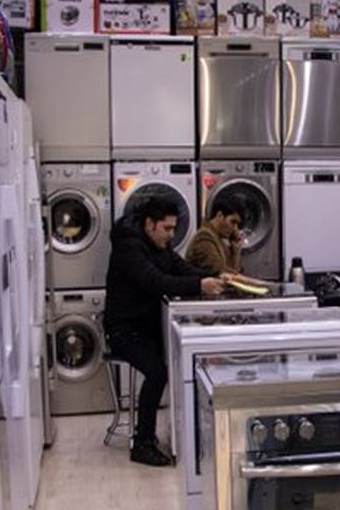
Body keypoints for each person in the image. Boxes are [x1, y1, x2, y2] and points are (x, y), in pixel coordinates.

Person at [103, 194, 225, 466]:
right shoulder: (129, 247)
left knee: (183, 358)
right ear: (149, 224)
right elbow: (155, 281)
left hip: (147, 326)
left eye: (173, 228)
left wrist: (214, 277)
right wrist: (199, 286)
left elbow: (180, 268)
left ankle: (188, 432)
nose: (171, 235)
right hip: (124, 329)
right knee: (157, 371)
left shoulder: (158, 245)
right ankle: (142, 444)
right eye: (167, 228)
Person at [185, 191, 247, 276]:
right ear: (220, 215)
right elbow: (223, 275)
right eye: (233, 222)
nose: (235, 228)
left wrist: (235, 252)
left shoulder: (217, 238)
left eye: (237, 224)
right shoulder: (204, 238)